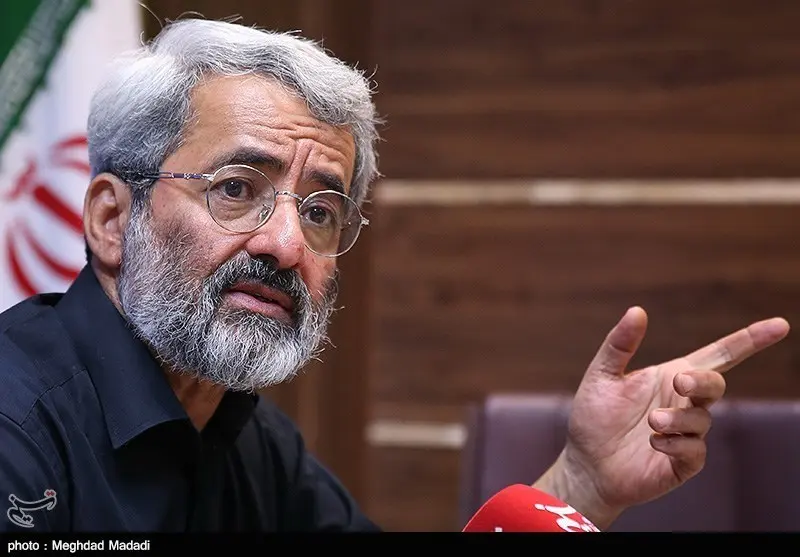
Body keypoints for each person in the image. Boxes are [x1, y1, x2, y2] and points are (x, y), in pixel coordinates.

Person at [0, 17, 789, 533]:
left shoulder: (248, 436)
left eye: (321, 210)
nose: (286, 243)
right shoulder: (16, 428)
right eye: (236, 189)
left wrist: (579, 483)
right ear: (112, 219)